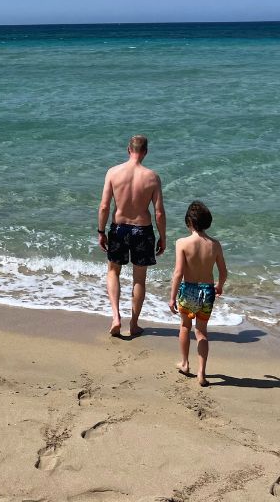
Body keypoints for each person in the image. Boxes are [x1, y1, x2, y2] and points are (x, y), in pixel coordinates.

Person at [97, 134, 166, 338]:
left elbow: (104, 206)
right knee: (139, 279)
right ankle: (134, 324)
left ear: (129, 150)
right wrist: (163, 237)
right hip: (142, 230)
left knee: (113, 272)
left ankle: (116, 317)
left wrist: (101, 231)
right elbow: (159, 212)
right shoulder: (152, 177)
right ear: (145, 152)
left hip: (119, 228)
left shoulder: (113, 172)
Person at [169, 200, 228, 387]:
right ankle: (202, 373)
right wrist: (219, 285)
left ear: (190, 222)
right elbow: (223, 271)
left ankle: (185, 363)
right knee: (202, 332)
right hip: (207, 290)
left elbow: (178, 272)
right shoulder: (215, 245)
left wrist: (172, 297)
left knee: (185, 326)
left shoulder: (182, 243)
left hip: (189, 289)